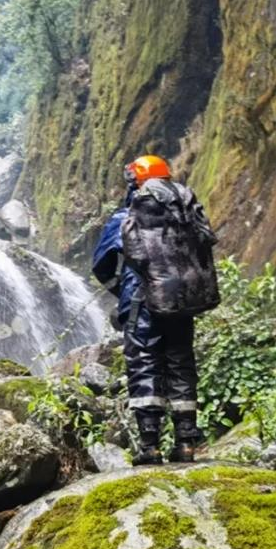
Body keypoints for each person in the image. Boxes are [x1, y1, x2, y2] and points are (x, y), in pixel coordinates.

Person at [92, 155, 220, 465]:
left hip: (142, 302)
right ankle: (186, 443)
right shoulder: (186, 215)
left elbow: (101, 265)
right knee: (180, 364)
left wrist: (120, 287)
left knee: (145, 364)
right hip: (181, 302)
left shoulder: (126, 217)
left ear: (135, 182)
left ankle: (150, 447)